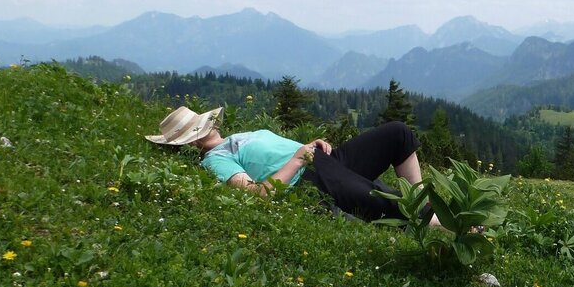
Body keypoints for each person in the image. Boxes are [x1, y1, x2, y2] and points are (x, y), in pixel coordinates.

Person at [146, 105, 438, 224]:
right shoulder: (215, 160)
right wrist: (298, 159)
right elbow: (258, 194)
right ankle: (447, 224)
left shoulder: (237, 137)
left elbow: (278, 151)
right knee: (388, 205)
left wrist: (310, 144)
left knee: (398, 133)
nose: (209, 125)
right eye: (199, 128)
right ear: (193, 142)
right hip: (310, 179)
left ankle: (420, 199)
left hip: (324, 159)